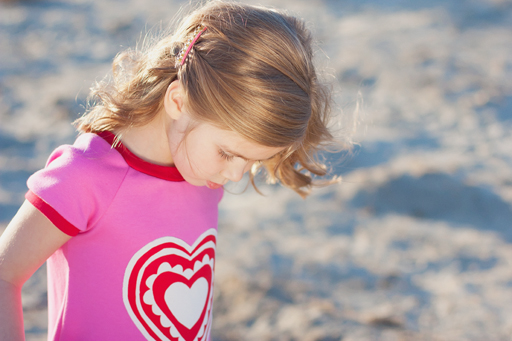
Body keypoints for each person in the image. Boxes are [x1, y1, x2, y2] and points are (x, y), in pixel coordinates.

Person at [0, 1, 339, 340]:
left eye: (252, 161)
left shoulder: (201, 175)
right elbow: (5, 274)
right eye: (227, 153)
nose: (236, 176)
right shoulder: (85, 178)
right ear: (178, 101)